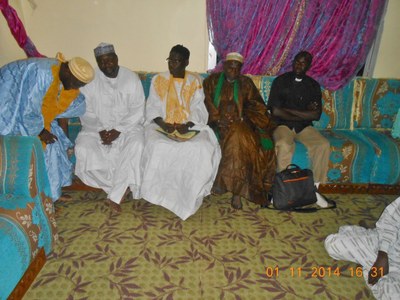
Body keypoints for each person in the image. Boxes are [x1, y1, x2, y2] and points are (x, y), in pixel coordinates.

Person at [140, 44, 221, 220]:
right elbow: (152, 106)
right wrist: (163, 124)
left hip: (188, 125)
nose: (172, 65)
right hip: (162, 125)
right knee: (156, 145)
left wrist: (189, 124)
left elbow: (199, 107)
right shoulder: (158, 80)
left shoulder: (195, 80)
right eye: (170, 60)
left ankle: (189, 193)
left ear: (186, 62)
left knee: (201, 147)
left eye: (176, 61)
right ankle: (157, 194)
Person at [0, 53, 94, 201]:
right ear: (69, 72)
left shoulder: (60, 74)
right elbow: (27, 109)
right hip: (9, 107)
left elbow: (70, 105)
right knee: (33, 148)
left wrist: (51, 129)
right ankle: (32, 197)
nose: (76, 88)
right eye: (77, 83)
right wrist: (42, 131)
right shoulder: (43, 74)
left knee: (53, 145)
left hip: (30, 115)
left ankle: (50, 196)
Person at [74, 43, 145, 213]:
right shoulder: (91, 80)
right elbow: (86, 109)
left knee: (137, 144)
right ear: (98, 63)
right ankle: (118, 188)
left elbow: (138, 108)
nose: (107, 65)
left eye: (109, 60)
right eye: (102, 62)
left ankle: (116, 193)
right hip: (96, 129)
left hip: (127, 128)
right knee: (83, 147)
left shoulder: (131, 78)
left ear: (116, 58)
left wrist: (118, 130)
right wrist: (100, 130)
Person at [203, 52, 276, 209]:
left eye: (237, 69)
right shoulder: (211, 81)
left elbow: (257, 107)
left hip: (242, 125)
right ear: (224, 66)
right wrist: (216, 120)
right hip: (216, 126)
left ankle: (233, 189)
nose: (233, 72)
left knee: (238, 136)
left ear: (241, 69)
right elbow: (205, 103)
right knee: (238, 138)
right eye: (230, 68)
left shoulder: (246, 83)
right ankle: (234, 191)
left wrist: (244, 118)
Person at [268, 51, 331, 207]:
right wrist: (304, 113)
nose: (299, 65)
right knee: (284, 144)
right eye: (297, 61)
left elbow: (316, 115)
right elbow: (275, 111)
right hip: (282, 125)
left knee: (323, 145)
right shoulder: (280, 81)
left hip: (304, 127)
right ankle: (280, 190)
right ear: (293, 61)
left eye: (303, 63)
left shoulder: (313, 85)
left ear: (309, 66)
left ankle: (315, 190)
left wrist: (289, 112)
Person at [325, 197, 400, 299]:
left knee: (393, 296)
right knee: (333, 245)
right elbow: (390, 220)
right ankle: (363, 237)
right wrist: (383, 253)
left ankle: (373, 271)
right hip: (388, 244)